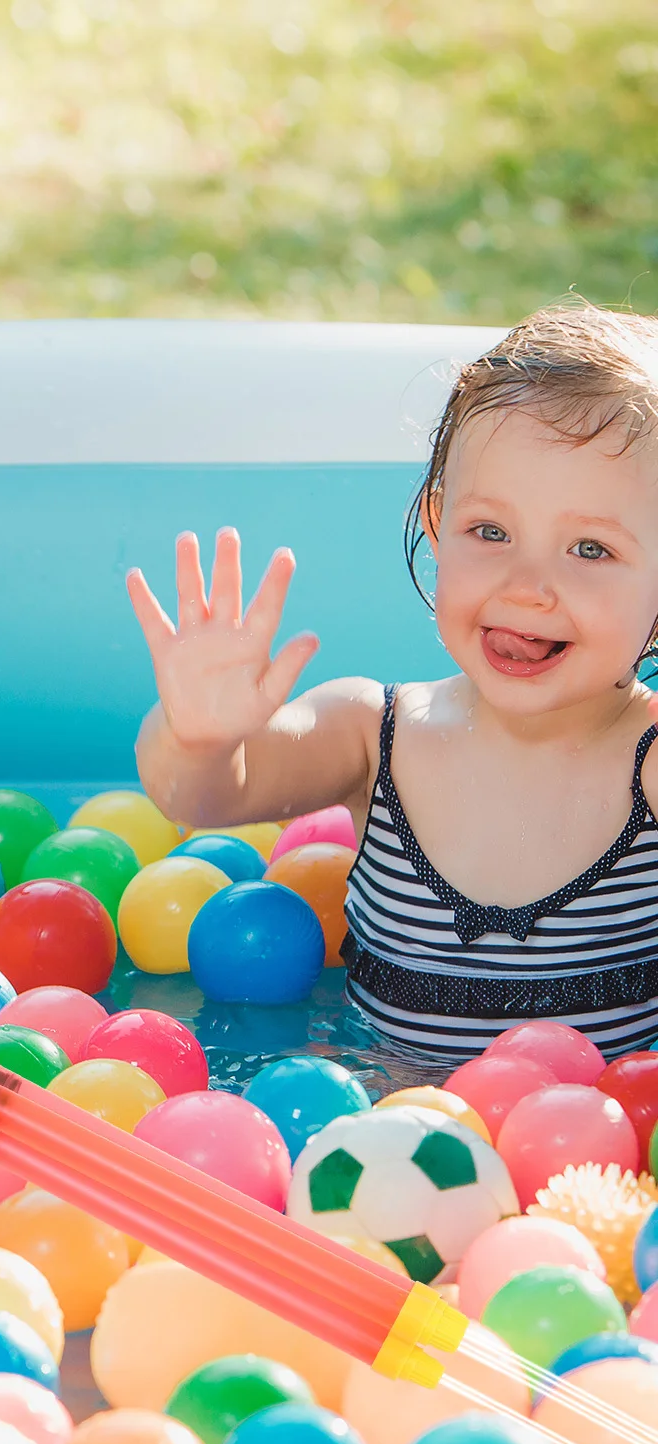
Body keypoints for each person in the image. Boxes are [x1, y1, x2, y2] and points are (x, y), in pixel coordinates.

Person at [129, 302, 658, 1066]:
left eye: (590, 549)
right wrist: (202, 739)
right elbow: (202, 799)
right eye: (490, 532)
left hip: (591, 1143)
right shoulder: (372, 735)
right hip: (381, 1122)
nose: (527, 586)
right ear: (438, 526)